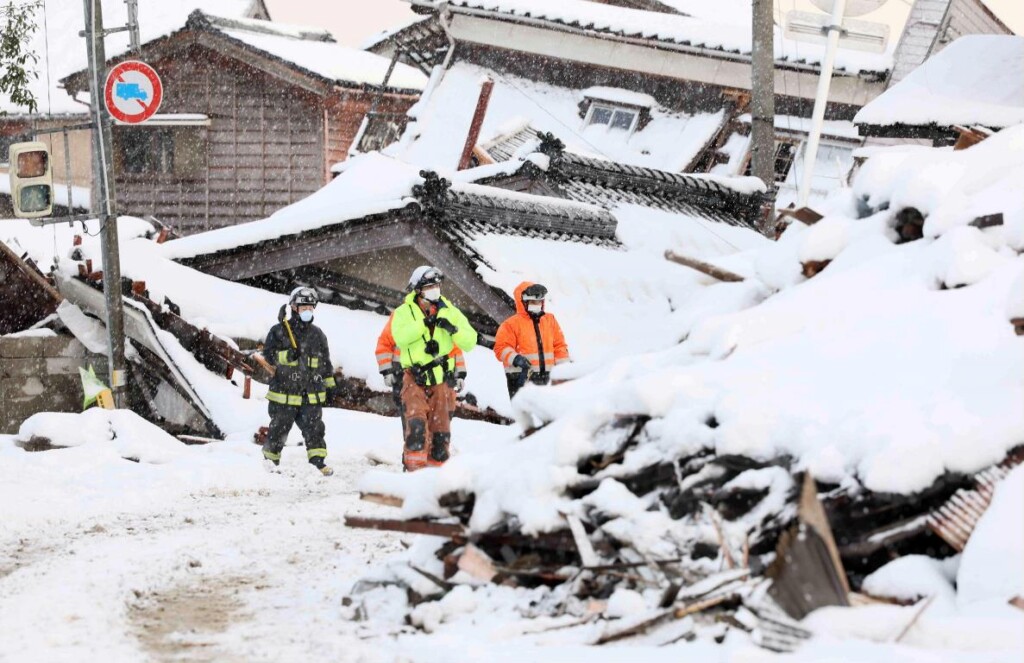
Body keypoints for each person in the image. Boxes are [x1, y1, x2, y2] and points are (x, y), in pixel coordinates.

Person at [391, 266, 477, 471]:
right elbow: (400, 338)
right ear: (418, 289)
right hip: (415, 378)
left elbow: (470, 341)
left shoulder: (451, 311)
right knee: (417, 429)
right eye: (430, 286)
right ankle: (413, 472)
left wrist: (452, 329)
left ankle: (435, 476)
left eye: (437, 285)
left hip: (442, 380)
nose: (435, 290)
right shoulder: (404, 312)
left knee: (440, 435)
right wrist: (425, 322)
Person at [261, 286, 338, 476]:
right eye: (304, 308)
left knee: (315, 430)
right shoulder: (279, 331)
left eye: (311, 308)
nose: (308, 311)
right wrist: (288, 355)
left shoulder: (318, 335)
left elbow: (325, 363)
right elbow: (269, 356)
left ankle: (318, 463)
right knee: (278, 430)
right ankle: (270, 463)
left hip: (310, 395)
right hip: (284, 395)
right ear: (294, 308)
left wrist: (330, 387)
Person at [493, 282, 570, 399]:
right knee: (527, 415)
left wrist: (563, 370)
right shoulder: (510, 324)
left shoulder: (550, 320)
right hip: (521, 378)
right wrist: (516, 359)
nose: (537, 304)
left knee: (549, 414)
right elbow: (501, 348)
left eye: (539, 301)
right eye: (534, 302)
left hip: (549, 378)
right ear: (523, 301)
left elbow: (559, 346)